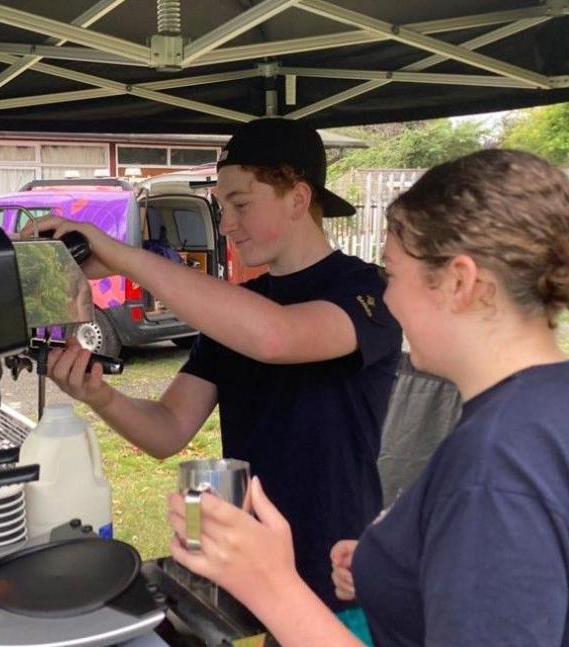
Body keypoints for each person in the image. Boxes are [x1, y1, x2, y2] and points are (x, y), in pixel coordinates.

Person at [167, 149, 569, 646]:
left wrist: (271, 585)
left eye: (392, 274)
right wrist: (399, 564)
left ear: (459, 282)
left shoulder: (498, 464)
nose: (386, 298)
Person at [28, 118, 403, 638]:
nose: (226, 223)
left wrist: (120, 256)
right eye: (222, 207)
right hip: (255, 574)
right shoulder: (239, 310)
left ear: (297, 198)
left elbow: (277, 338)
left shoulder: (368, 291)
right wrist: (99, 395)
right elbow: (167, 429)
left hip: (342, 577)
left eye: (241, 203)